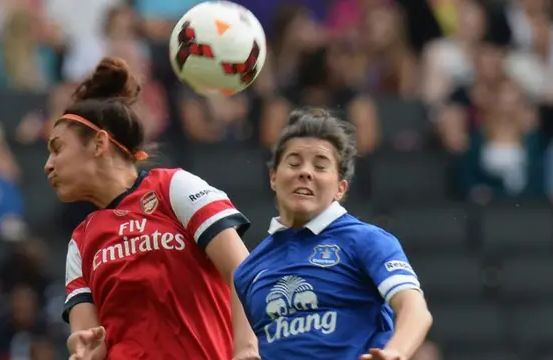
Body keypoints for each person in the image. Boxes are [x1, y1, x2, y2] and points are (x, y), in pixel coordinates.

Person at [43, 57, 259, 360]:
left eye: (57, 148)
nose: (48, 165)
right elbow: (88, 337)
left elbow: (244, 272)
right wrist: (85, 350)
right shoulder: (81, 241)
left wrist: (247, 349)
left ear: (98, 143)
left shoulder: (173, 188)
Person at [233, 108, 433, 360]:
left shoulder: (367, 240)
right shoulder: (248, 270)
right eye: (294, 163)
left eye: (320, 166)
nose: (305, 172)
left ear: (340, 188)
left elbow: (414, 308)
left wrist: (395, 353)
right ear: (273, 177)